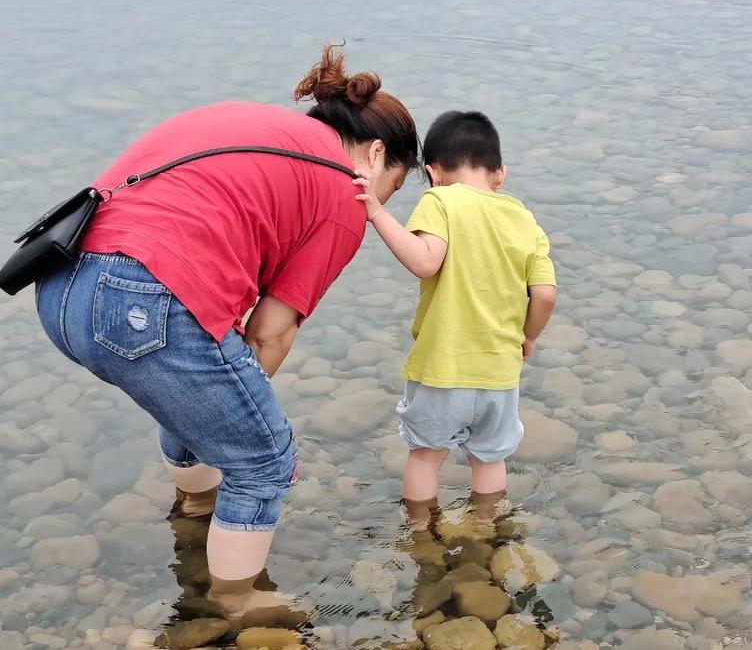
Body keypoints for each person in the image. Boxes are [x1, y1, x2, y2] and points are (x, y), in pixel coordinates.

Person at [34, 45, 419, 618]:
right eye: (391, 188)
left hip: (60, 286)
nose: (376, 206)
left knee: (202, 398)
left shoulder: (257, 129)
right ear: (377, 154)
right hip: (144, 296)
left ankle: (194, 511)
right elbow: (270, 333)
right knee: (263, 458)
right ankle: (236, 606)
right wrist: (239, 410)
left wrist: (214, 401)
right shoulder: (344, 190)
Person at [354, 110, 557, 519]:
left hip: (443, 367)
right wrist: (528, 336)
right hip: (499, 375)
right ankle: (485, 529)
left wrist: (377, 212)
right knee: (489, 460)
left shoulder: (440, 199)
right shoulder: (525, 219)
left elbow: (426, 262)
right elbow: (546, 295)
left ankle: (421, 533)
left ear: (432, 172)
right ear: (500, 174)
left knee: (426, 456)